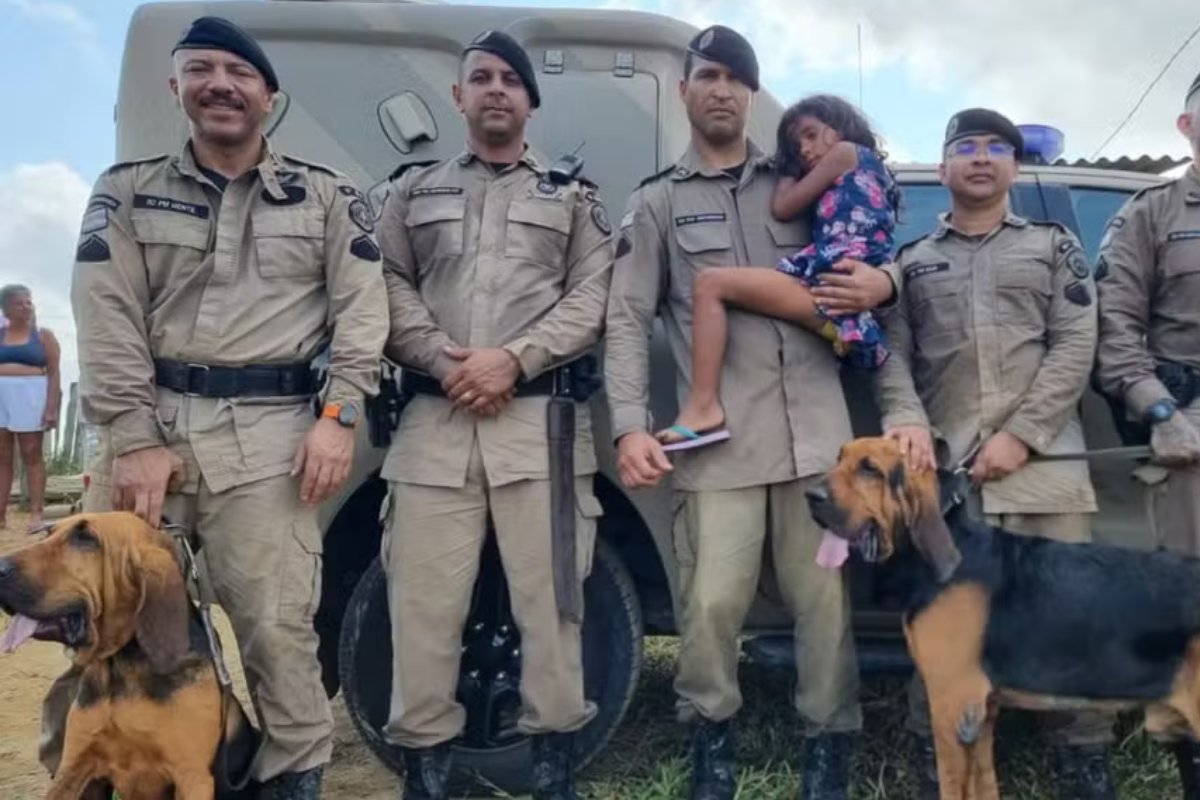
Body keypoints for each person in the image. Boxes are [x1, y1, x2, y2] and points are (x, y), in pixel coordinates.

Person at [53, 16, 388, 799]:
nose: (221, 85)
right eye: (201, 69)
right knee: (106, 634)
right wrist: (133, 437)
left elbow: (364, 313)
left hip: (272, 444)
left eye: (240, 73)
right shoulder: (126, 190)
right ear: (177, 88)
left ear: (270, 96)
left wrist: (339, 419)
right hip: (150, 434)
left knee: (278, 637)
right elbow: (104, 311)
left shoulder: (328, 198)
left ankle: (286, 784)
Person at [605, 24, 897, 800]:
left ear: (751, 92)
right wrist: (631, 424)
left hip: (819, 445)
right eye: (709, 75)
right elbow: (628, 319)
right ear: (686, 90)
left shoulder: (798, 182)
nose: (724, 89)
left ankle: (829, 742)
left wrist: (889, 281)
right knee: (710, 603)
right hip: (719, 442)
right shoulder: (658, 202)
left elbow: (873, 248)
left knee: (824, 602)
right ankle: (710, 735)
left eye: (738, 76)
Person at [375, 30, 613, 800]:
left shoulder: (573, 199)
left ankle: (552, 770)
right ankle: (426, 773)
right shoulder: (412, 193)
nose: (496, 89)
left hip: (539, 427)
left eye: (511, 79)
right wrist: (447, 361)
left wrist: (516, 358)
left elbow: (597, 296)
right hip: (433, 426)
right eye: (481, 78)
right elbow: (380, 285)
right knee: (422, 610)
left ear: (529, 102)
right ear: (459, 97)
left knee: (555, 609)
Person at [876, 108, 1116, 800]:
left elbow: (1076, 343)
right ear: (945, 166)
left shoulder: (1052, 248)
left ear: (1014, 167)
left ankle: (1084, 766)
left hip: (1046, 474)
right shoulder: (913, 263)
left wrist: (1024, 434)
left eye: (996, 149)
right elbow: (890, 358)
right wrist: (904, 419)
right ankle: (945, 770)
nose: (981, 159)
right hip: (948, 485)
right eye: (966, 147)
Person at [657, 94, 898, 450]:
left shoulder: (845, 153)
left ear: (841, 127)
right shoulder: (868, 169)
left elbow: (784, 206)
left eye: (812, 134)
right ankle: (838, 332)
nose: (804, 148)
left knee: (711, 284)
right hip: (838, 286)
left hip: (831, 280)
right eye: (796, 144)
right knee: (716, 284)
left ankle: (703, 406)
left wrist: (785, 167)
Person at [1095, 69, 1200, 795]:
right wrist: (1162, 411)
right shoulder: (1152, 213)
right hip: (1187, 433)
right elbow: (1114, 328)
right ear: (1187, 129)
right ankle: (1190, 752)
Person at [0, 284, 61, 533]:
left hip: (30, 394)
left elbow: (55, 373)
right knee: (2, 456)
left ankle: (36, 513)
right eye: (19, 303)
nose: (26, 307)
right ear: (6, 308)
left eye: (29, 302)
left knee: (32, 454)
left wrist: (51, 407)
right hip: (1, 395)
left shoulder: (43, 335)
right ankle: (1, 514)